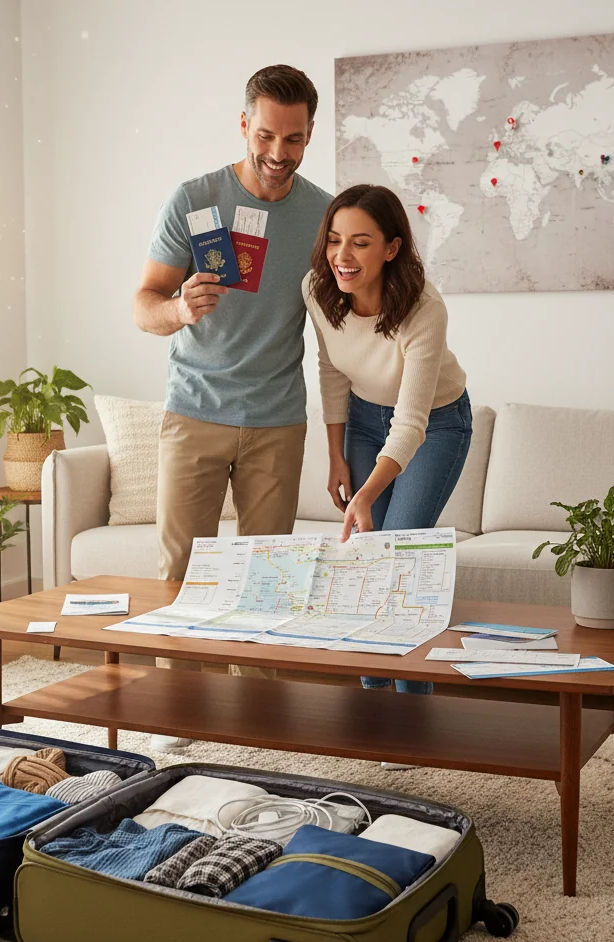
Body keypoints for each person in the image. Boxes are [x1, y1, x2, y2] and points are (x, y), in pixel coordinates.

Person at [134, 65, 331, 750]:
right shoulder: (195, 199)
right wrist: (179, 307)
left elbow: (343, 322)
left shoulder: (321, 215)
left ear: (311, 135)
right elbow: (144, 304)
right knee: (181, 569)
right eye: (268, 135)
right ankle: (179, 712)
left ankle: (260, 715)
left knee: (267, 577)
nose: (280, 153)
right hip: (194, 411)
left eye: (296, 139)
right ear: (244, 124)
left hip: (277, 417)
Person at [303, 183, 472, 704]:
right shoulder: (318, 288)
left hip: (435, 425)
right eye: (334, 240)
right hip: (362, 419)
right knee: (365, 560)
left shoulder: (424, 309)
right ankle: (375, 698)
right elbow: (331, 370)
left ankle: (411, 704)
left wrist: (365, 495)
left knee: (398, 552)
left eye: (360, 242)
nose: (342, 257)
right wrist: (335, 454)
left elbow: (412, 423)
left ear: (391, 248)